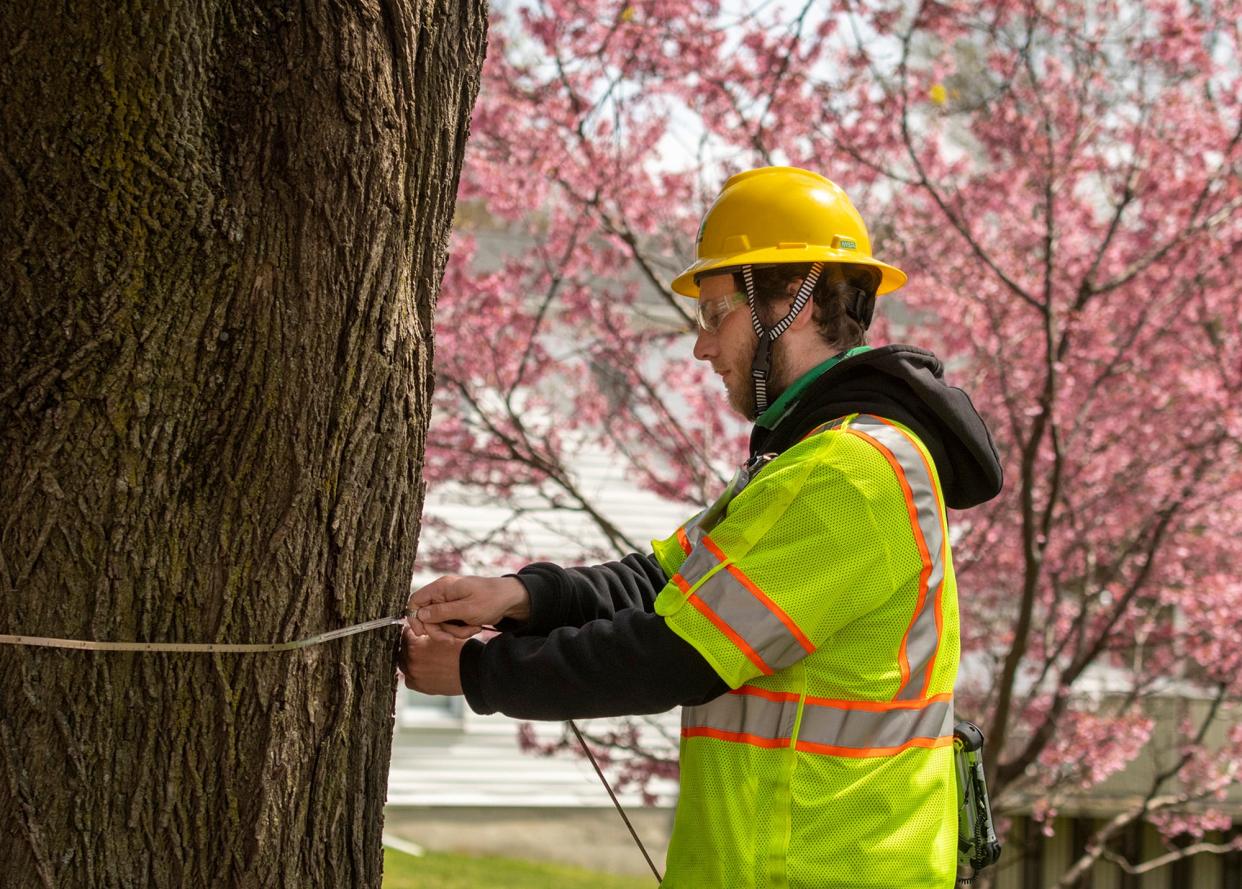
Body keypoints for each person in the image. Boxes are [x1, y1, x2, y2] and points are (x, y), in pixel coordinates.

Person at [399, 166, 1003, 888]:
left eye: (717, 313)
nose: (702, 347)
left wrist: (477, 671)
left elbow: (679, 651)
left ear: (797, 300)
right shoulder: (803, 462)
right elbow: (657, 583)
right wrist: (519, 596)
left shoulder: (853, 470)